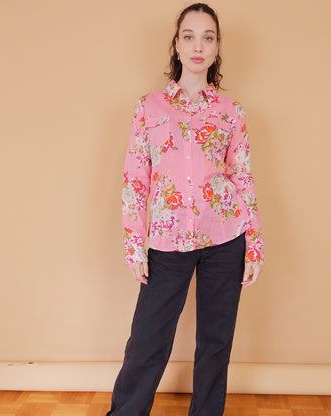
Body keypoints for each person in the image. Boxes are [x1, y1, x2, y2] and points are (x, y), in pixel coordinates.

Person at [106, 3, 264, 415]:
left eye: (207, 38)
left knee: (215, 343)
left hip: (225, 238)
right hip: (166, 240)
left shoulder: (231, 112)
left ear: (217, 48)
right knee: (147, 340)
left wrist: (254, 245)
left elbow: (242, 178)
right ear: (176, 45)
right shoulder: (149, 107)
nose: (198, 46)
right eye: (189, 37)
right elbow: (135, 180)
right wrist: (134, 245)